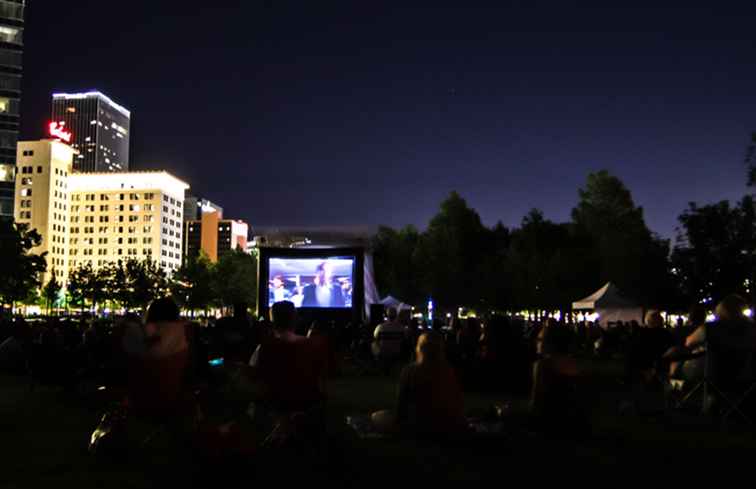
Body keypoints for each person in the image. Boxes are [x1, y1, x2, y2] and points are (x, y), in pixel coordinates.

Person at [371, 331, 468, 438]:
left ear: (420, 348)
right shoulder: (449, 370)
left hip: (418, 425)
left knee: (377, 416)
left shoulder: (410, 371)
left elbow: (401, 405)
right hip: (448, 423)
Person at [372, 307, 406, 371]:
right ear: (396, 316)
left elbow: (375, 338)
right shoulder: (402, 328)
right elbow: (405, 339)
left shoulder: (380, 327)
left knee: (373, 343)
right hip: (397, 351)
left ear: (386, 315)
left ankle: (376, 362)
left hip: (383, 352)